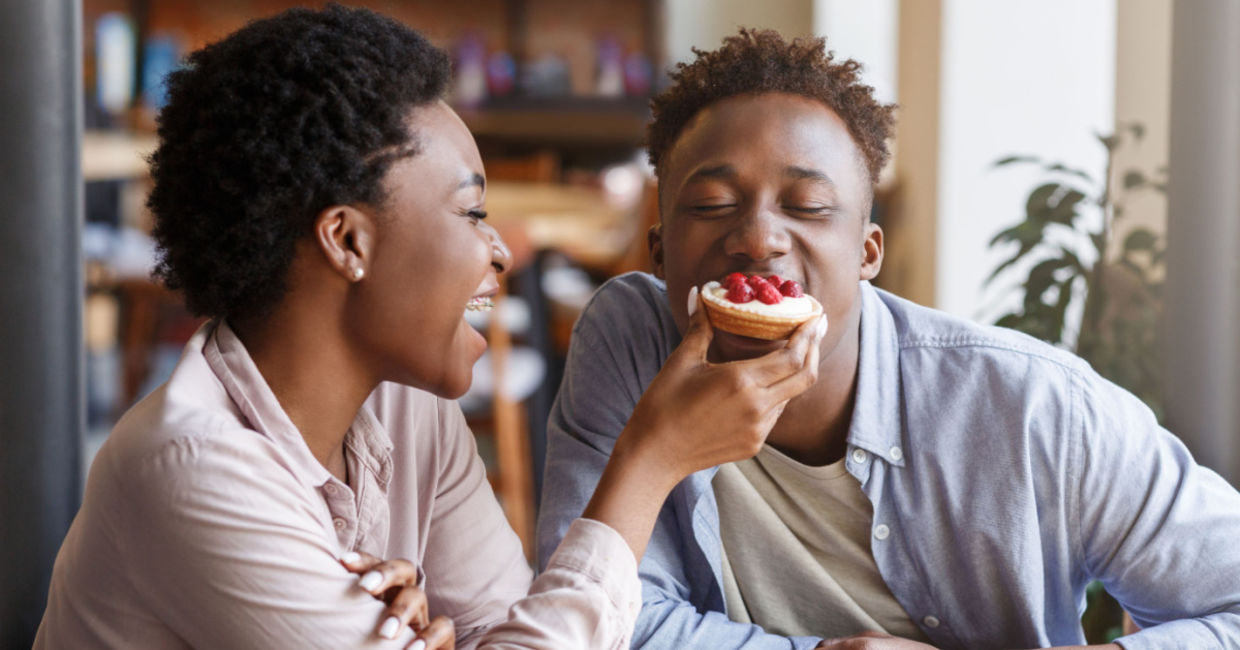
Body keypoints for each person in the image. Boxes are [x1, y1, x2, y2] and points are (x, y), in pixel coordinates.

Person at [34, 9, 828, 649]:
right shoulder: (193, 469)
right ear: (348, 241)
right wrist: (649, 462)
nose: (498, 252)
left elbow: (506, 630)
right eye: (472, 211)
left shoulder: (407, 412)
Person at [536, 28, 1240, 649]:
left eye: (807, 207)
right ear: (658, 254)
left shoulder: (1034, 410)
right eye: (714, 205)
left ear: (869, 253)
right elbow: (600, 620)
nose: (757, 237)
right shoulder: (633, 342)